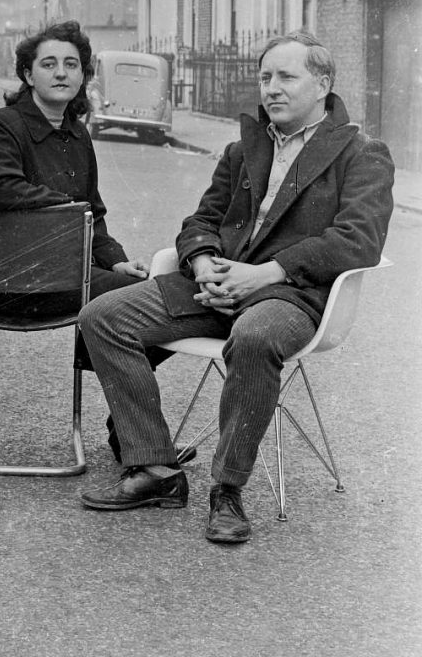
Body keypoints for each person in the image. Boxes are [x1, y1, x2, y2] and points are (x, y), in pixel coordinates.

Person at [77, 31, 394, 545]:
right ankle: (156, 468)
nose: (272, 88)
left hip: (289, 296)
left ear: (323, 84)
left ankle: (227, 489)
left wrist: (266, 274)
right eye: (266, 77)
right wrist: (203, 264)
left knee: (254, 337)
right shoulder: (243, 148)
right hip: (218, 285)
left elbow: (358, 241)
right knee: (103, 317)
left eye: (287, 77)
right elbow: (201, 218)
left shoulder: (361, 153)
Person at [0, 20, 180, 462]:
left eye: (72, 64)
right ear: (28, 74)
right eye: (48, 64)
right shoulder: (5, 125)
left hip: (67, 277)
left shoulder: (78, 134)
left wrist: (117, 261)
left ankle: (129, 429)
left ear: (84, 75)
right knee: (158, 303)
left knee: (162, 296)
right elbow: (0, 187)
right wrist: (70, 206)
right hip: (11, 282)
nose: (61, 73)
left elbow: (94, 214)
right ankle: (134, 435)